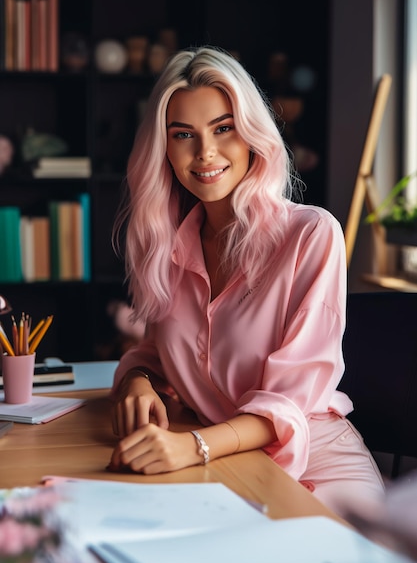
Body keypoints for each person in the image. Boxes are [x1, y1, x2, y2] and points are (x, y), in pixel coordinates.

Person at [108, 45, 384, 514]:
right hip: (226, 467)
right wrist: (138, 379)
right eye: (183, 135)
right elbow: (156, 352)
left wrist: (193, 445)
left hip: (317, 464)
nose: (205, 153)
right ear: (164, 150)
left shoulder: (310, 234)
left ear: (252, 134)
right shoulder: (167, 248)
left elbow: (289, 400)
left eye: (223, 128)